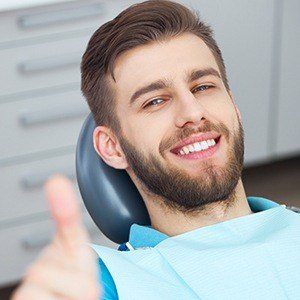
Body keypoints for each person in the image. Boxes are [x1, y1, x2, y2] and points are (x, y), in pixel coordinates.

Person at [12, 0, 300, 299]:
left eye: (203, 87)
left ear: (234, 107)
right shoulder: (103, 284)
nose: (193, 112)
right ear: (112, 147)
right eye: (155, 101)